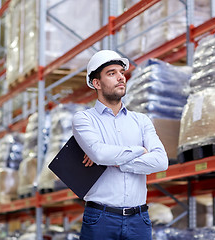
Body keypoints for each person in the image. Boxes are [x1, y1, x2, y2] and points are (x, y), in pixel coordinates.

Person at [72, 50, 168, 240]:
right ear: (96, 83)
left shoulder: (141, 120)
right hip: (100, 219)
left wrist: (117, 162)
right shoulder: (84, 119)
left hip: (139, 220)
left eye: (121, 72)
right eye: (111, 73)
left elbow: (161, 161)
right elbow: (99, 154)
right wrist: (140, 151)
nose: (120, 78)